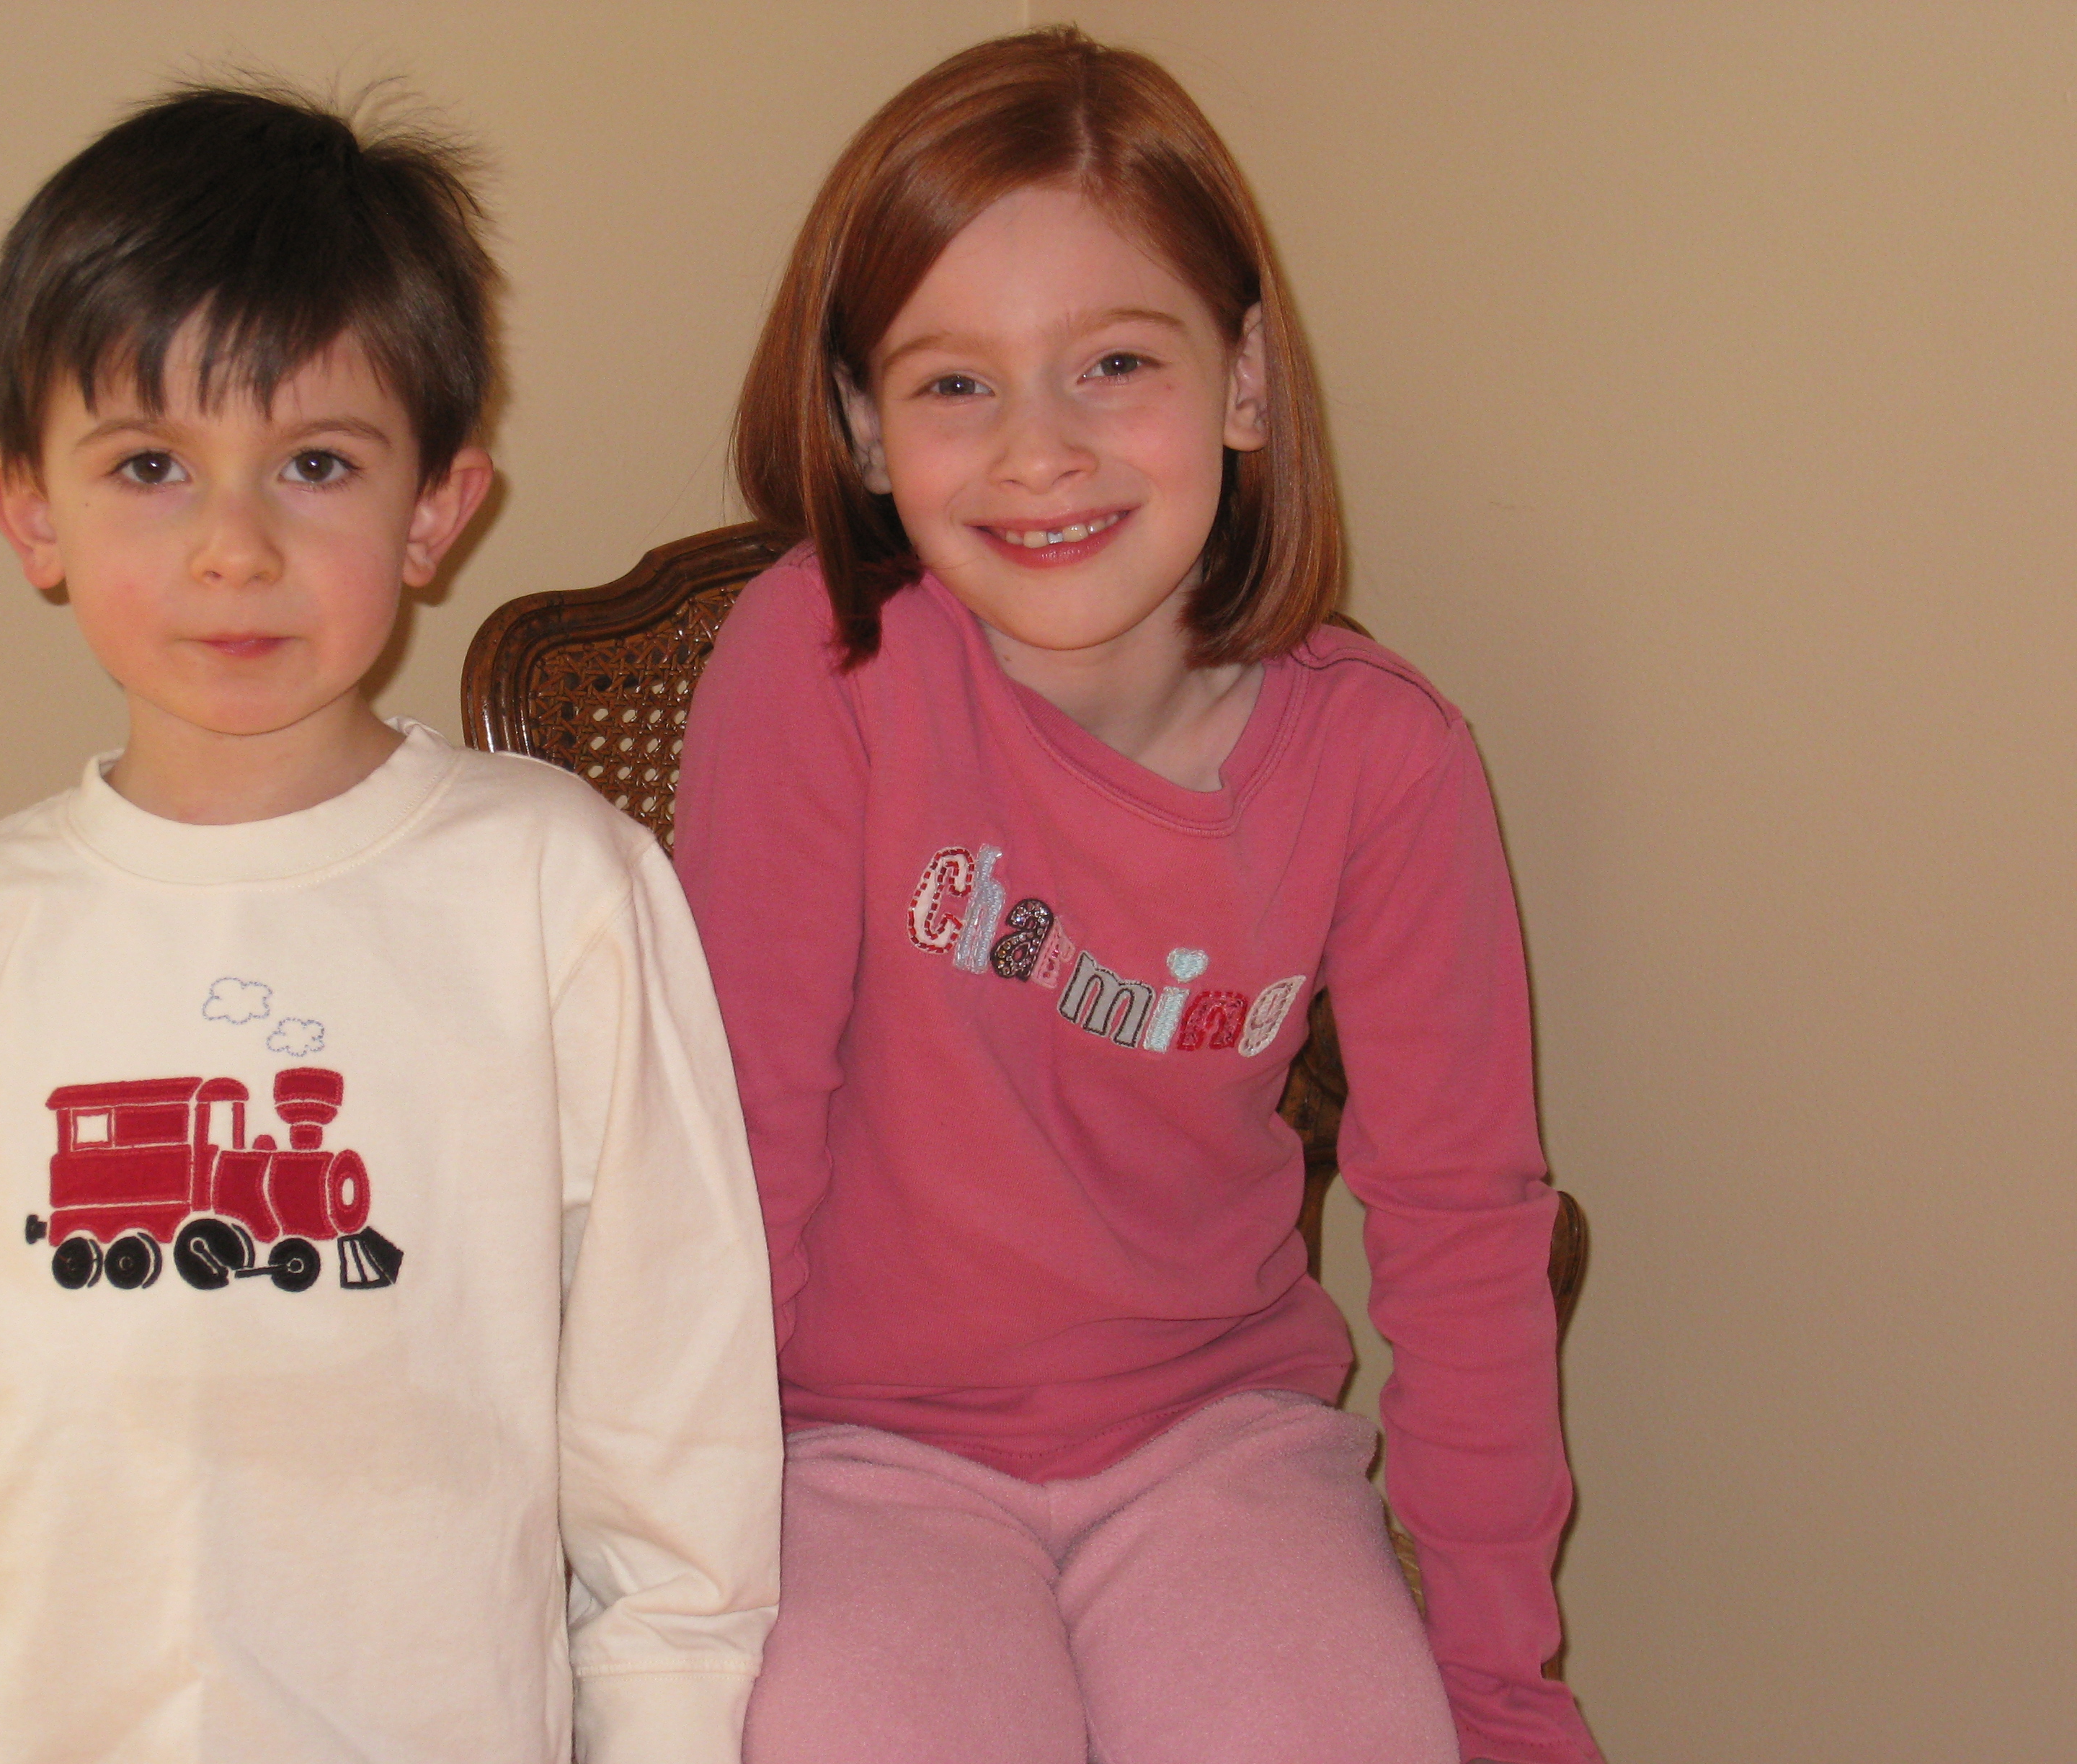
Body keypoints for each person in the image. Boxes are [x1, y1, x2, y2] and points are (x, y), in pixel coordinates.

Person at [0, 84, 780, 1764]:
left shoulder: (556, 892)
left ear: (435, 508)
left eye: (316, 464)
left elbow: (672, 1410)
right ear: (29, 511)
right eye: (151, 466)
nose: (235, 547)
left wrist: (664, 1728)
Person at [675, 27, 1601, 1764]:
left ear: (1243, 380)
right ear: (864, 429)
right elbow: (726, 1166)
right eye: (955, 385)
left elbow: (1463, 1233)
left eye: (1112, 363)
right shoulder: (821, 663)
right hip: (847, 1448)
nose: (1040, 451)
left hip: (1220, 1443)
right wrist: (671, 1589)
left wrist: (1500, 1697)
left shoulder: (1387, 760)